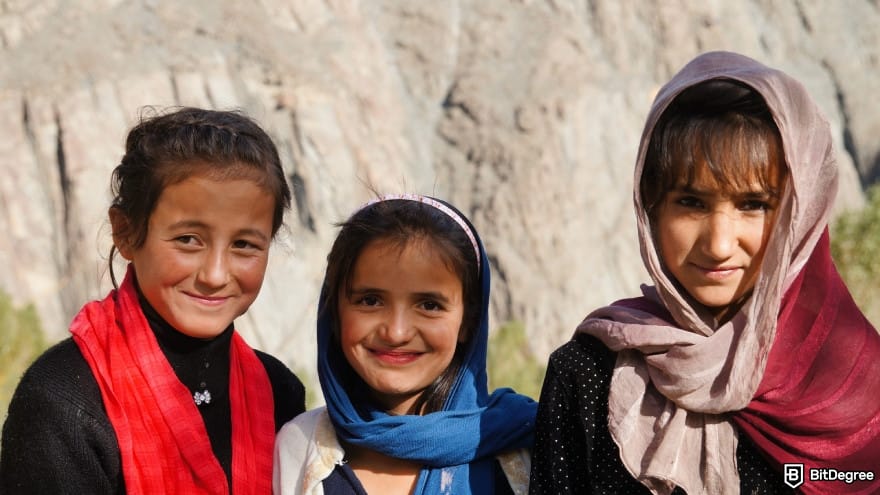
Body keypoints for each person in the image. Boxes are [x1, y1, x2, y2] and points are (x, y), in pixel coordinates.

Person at [529, 51, 880, 495]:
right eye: (691, 203)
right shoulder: (587, 374)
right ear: (651, 207)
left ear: (801, 216)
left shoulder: (857, 390)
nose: (718, 244)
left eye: (753, 204)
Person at [0, 107, 307, 494]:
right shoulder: (64, 398)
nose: (214, 274)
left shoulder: (277, 392)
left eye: (244, 245)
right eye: (187, 239)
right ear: (126, 233)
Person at [274, 194, 537, 495]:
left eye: (429, 305)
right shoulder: (300, 448)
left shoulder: (524, 450)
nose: (396, 332)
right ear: (334, 311)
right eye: (370, 301)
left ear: (468, 321)